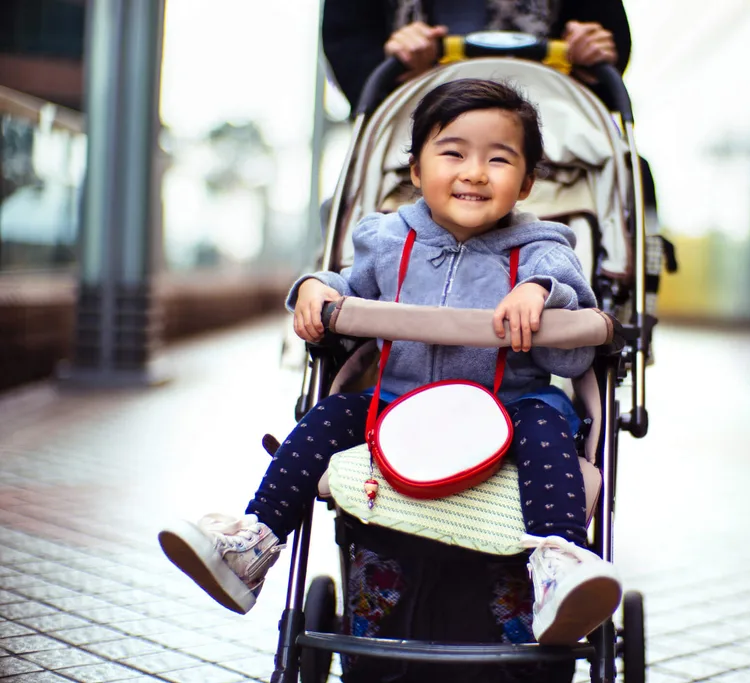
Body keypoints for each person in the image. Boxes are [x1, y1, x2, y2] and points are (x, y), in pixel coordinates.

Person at [158, 78, 622, 646]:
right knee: (326, 418)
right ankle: (253, 544)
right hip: (400, 405)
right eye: (453, 153)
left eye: (498, 160)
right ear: (415, 170)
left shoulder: (544, 249)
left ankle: (558, 566)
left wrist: (541, 294)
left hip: (508, 406)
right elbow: (346, 285)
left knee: (550, 422)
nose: (475, 172)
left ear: (525, 182)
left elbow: (571, 323)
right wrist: (314, 288)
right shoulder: (385, 238)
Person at [320, 0, 631, 112]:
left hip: (551, 135)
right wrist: (395, 59)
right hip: (409, 128)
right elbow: (351, 56)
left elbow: (609, 45)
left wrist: (592, 52)